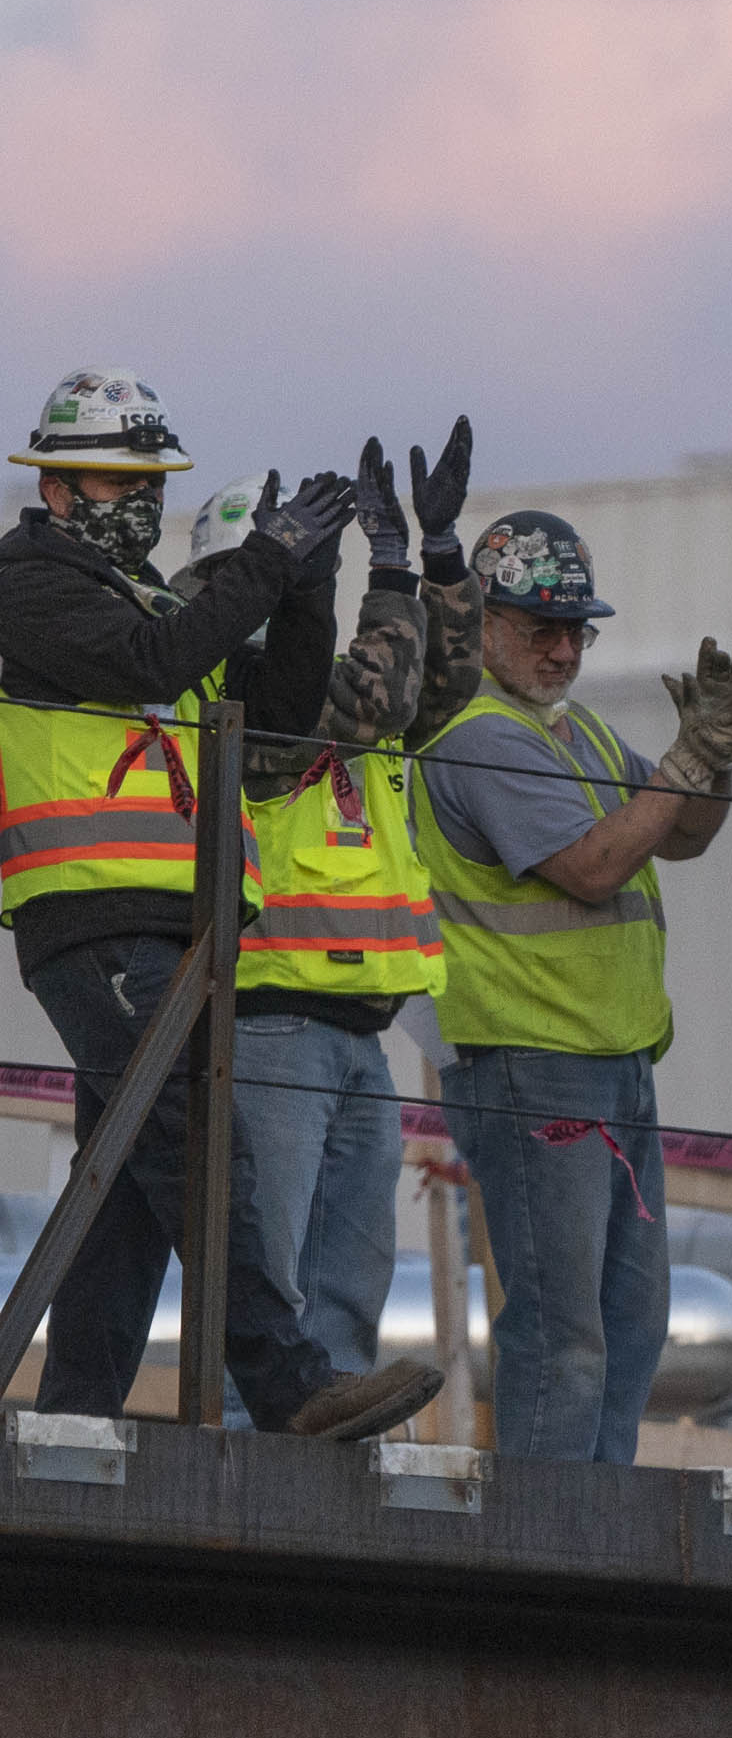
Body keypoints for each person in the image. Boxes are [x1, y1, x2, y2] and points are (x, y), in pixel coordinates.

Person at [0, 366, 441, 1438]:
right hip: (93, 911)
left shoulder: (141, 594)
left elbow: (279, 730)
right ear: (57, 490)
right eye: (116, 480)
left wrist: (305, 592)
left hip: (177, 927)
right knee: (199, 1148)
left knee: (128, 1190)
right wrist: (264, 559)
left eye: (148, 478)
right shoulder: (25, 583)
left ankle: (73, 1421)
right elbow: (155, 660)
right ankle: (291, 1386)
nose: (138, 500)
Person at [411, 511, 732, 1462]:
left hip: (605, 1058)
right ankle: (550, 1539)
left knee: (626, 1323)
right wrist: (691, 761)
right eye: (542, 628)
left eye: (576, 631)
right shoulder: (481, 736)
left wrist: (715, 760)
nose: (564, 649)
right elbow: (591, 867)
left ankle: (591, 1523)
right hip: (534, 1062)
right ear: (486, 625)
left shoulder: (570, 732)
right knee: (565, 1329)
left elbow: (682, 833)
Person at [177, 423, 481, 1400]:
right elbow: (380, 696)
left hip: (357, 1026)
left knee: (346, 1292)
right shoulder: (228, 678)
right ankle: (240, 1481)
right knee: (270, 1284)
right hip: (271, 1017)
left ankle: (325, 1486)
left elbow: (438, 687)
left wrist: (436, 562)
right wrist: (385, 572)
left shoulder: (321, 674)